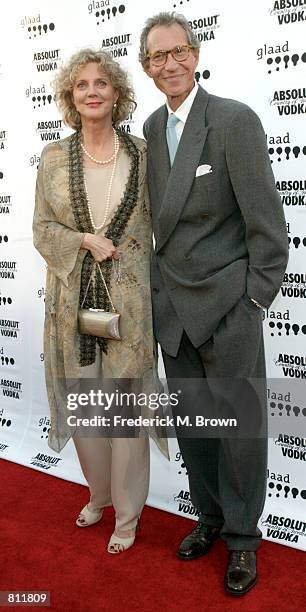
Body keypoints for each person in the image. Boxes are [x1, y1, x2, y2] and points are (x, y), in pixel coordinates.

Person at [139, 12, 288, 594]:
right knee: (196, 428)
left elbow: (268, 231)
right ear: (148, 68)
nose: (170, 64)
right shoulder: (150, 129)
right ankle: (211, 519)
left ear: (195, 55)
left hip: (228, 309)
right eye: (158, 57)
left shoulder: (232, 120)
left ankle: (245, 541)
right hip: (174, 314)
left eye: (179, 52)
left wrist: (252, 303)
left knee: (239, 431)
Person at [33, 48, 167, 554]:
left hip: (130, 307)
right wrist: (84, 240)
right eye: (82, 85)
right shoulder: (51, 158)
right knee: (87, 407)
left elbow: (164, 218)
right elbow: (42, 227)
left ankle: (128, 517)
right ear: (72, 97)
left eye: (101, 84)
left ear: (116, 94)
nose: (92, 91)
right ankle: (99, 494)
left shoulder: (143, 152)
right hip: (70, 306)